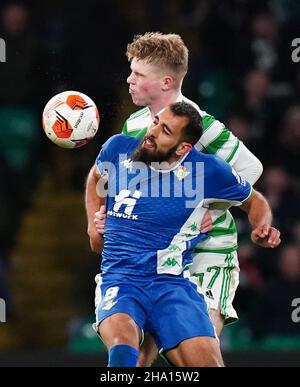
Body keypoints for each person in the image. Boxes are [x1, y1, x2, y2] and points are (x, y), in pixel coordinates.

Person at [93, 32, 265, 366]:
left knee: (203, 343)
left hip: (208, 252)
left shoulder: (203, 125)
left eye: (138, 75)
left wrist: (211, 210)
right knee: (141, 349)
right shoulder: (136, 125)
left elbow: (250, 167)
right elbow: (129, 178)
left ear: (165, 82)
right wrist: (111, 216)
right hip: (157, 255)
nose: (128, 80)